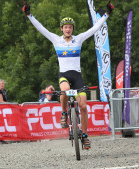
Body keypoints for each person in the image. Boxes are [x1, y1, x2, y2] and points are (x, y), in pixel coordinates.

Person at [23, 1, 114, 149]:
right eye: (65, 27)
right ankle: (64, 113)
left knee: (83, 106)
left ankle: (84, 135)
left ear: (73, 29)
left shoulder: (79, 38)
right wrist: (29, 15)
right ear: (61, 29)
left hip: (77, 76)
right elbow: (41, 28)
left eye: (70, 27)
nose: (68, 29)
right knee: (64, 90)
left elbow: (95, 28)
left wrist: (107, 14)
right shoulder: (55, 39)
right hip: (64, 75)